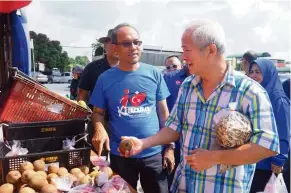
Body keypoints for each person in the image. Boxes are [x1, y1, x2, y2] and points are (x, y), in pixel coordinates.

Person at [120, 19, 279, 193]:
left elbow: (267, 146)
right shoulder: (188, 86)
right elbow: (174, 128)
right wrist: (143, 143)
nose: (183, 57)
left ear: (211, 50)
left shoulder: (249, 92)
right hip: (184, 186)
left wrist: (215, 157)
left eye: (187, 50)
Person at [89, 23, 172, 193]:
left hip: (153, 153)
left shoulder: (154, 73)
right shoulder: (105, 79)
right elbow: (97, 113)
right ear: (115, 48)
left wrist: (169, 148)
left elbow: (164, 114)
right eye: (127, 43)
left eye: (137, 42)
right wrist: (99, 127)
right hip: (122, 156)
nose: (133, 47)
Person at [248, 59, 290, 193]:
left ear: (268, 74)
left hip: (268, 164)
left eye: (258, 72)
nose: (253, 75)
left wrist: (279, 159)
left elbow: (284, 131)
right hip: (252, 159)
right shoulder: (253, 96)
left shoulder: (278, 99)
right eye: (251, 72)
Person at [78, 29, 119, 156]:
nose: (116, 47)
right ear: (105, 45)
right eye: (112, 43)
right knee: (99, 156)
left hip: (121, 119)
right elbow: (82, 96)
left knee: (121, 157)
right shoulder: (93, 68)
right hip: (98, 120)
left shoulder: (128, 69)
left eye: (119, 43)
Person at [163, 64, 189, 188]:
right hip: (173, 145)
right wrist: (169, 147)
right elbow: (162, 113)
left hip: (196, 152)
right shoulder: (169, 79)